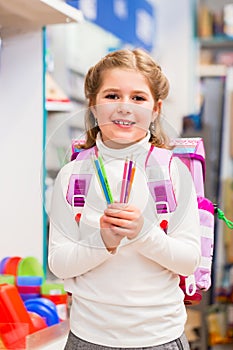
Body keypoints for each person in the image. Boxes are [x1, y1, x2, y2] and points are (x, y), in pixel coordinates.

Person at [48, 48, 201, 350]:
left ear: (155, 110)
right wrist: (102, 240)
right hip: (88, 338)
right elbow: (59, 264)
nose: (124, 107)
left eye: (138, 98)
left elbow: (188, 262)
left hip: (159, 338)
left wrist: (144, 233)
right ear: (92, 105)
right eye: (112, 96)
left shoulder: (174, 173)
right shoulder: (72, 175)